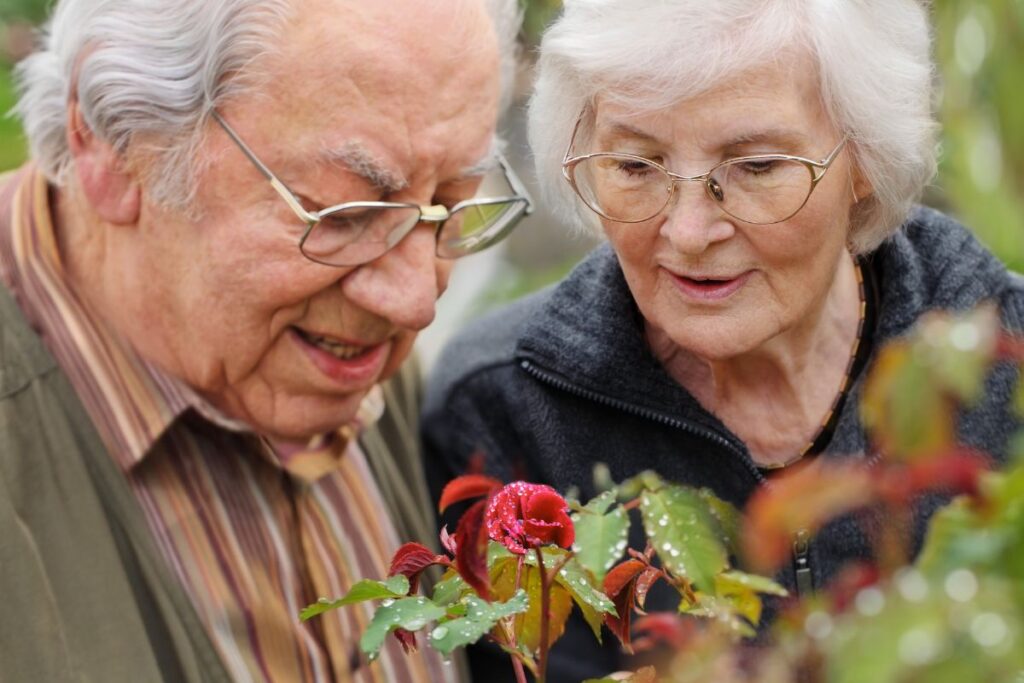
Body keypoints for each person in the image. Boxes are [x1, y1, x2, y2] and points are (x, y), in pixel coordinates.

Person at [423, 1, 1024, 679]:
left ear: (864, 160)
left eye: (757, 166)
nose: (687, 232)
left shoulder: (1008, 365)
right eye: (636, 164)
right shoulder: (502, 409)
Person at [0, 0, 529, 681]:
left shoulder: (341, 341)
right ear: (113, 139)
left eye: (453, 204)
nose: (417, 301)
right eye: (350, 214)